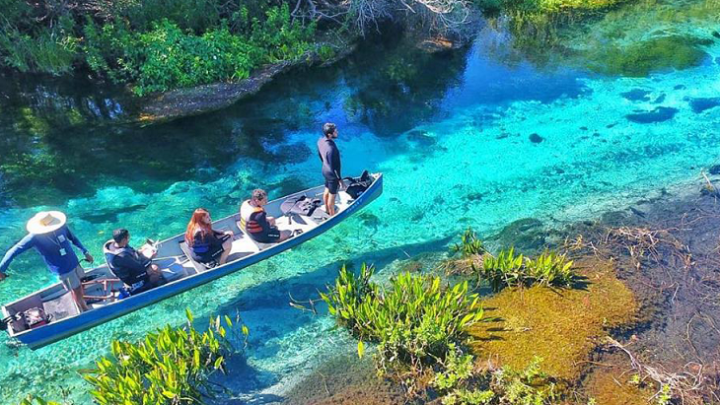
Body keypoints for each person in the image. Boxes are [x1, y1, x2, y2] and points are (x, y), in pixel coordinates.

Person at [0, 211, 94, 312]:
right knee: (76, 289)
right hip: (63, 270)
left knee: (80, 284)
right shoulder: (34, 237)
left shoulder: (61, 227)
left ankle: (80, 301)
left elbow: (74, 239)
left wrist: (85, 252)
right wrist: (1, 269)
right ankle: (84, 309)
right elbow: (13, 251)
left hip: (74, 262)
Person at [103, 228, 164, 294]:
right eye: (128, 237)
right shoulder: (122, 256)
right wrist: (151, 257)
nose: (129, 238)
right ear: (123, 240)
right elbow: (141, 268)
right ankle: (151, 288)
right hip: (130, 278)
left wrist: (142, 249)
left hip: (128, 267)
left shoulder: (113, 244)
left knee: (146, 255)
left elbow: (132, 252)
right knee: (155, 269)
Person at [316, 122, 344, 216]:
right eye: (335, 131)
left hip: (325, 169)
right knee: (332, 197)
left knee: (326, 190)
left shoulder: (320, 141)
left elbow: (320, 154)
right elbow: (335, 167)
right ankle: (332, 215)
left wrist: (325, 164)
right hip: (332, 174)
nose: (337, 132)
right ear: (330, 134)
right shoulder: (332, 149)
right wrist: (340, 180)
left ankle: (327, 210)